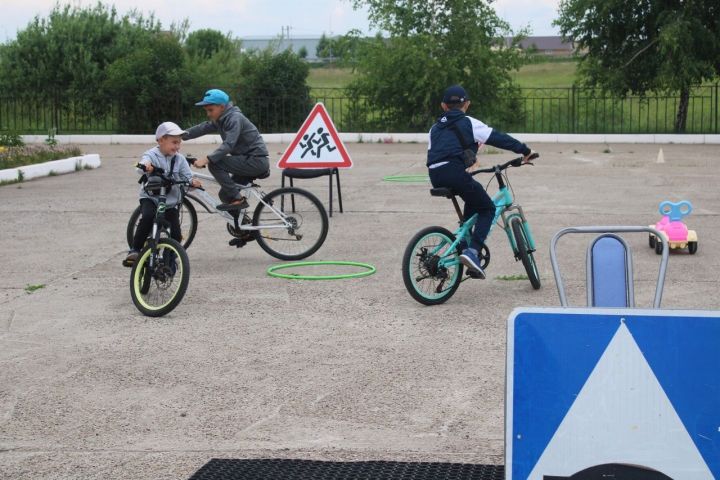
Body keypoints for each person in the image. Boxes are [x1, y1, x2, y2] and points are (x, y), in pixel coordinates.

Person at [427, 85, 534, 279]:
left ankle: (463, 247)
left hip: (435, 174)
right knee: (487, 208)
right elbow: (498, 138)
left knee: (472, 201)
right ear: (466, 104)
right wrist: (525, 151)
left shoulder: (434, 128)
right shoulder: (468, 122)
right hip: (454, 172)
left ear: (444, 106)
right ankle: (473, 252)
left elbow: (437, 153)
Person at [123, 122, 201, 267]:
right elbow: (141, 166)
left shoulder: (180, 159)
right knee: (147, 217)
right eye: (174, 142)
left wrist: (192, 183)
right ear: (160, 140)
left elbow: (187, 177)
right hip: (151, 198)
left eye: (179, 143)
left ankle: (169, 260)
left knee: (176, 234)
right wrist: (146, 166)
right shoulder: (151, 155)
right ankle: (135, 249)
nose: (177, 146)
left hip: (170, 202)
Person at [182, 89, 270, 210]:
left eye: (210, 110)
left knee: (215, 164)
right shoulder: (222, 119)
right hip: (247, 160)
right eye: (207, 111)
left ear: (222, 107)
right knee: (225, 195)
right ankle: (242, 225)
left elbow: (229, 145)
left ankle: (239, 200)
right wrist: (179, 135)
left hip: (255, 161)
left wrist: (207, 159)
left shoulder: (234, 118)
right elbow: (204, 127)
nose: (208, 114)